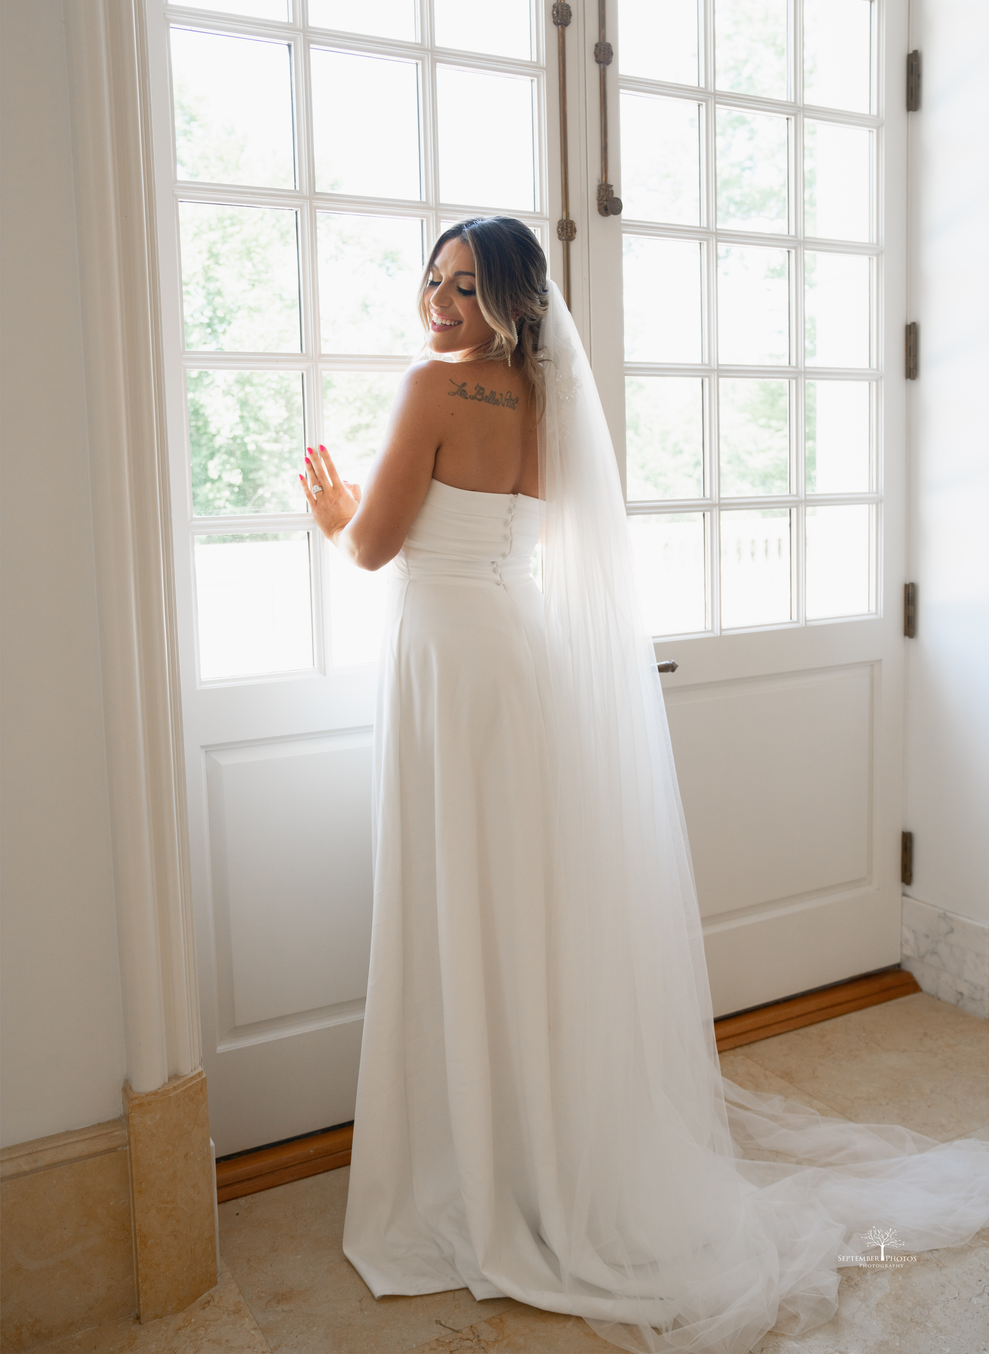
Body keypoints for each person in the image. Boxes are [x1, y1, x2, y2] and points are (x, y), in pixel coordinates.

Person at [300, 216, 989, 1354]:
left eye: (463, 288)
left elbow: (375, 548)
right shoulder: (545, 397)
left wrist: (330, 515)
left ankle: (479, 1161)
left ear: (507, 298)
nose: (438, 304)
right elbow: (559, 531)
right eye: (431, 282)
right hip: (513, 660)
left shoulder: (434, 389)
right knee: (518, 905)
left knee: (459, 898)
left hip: (449, 661)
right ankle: (536, 1146)